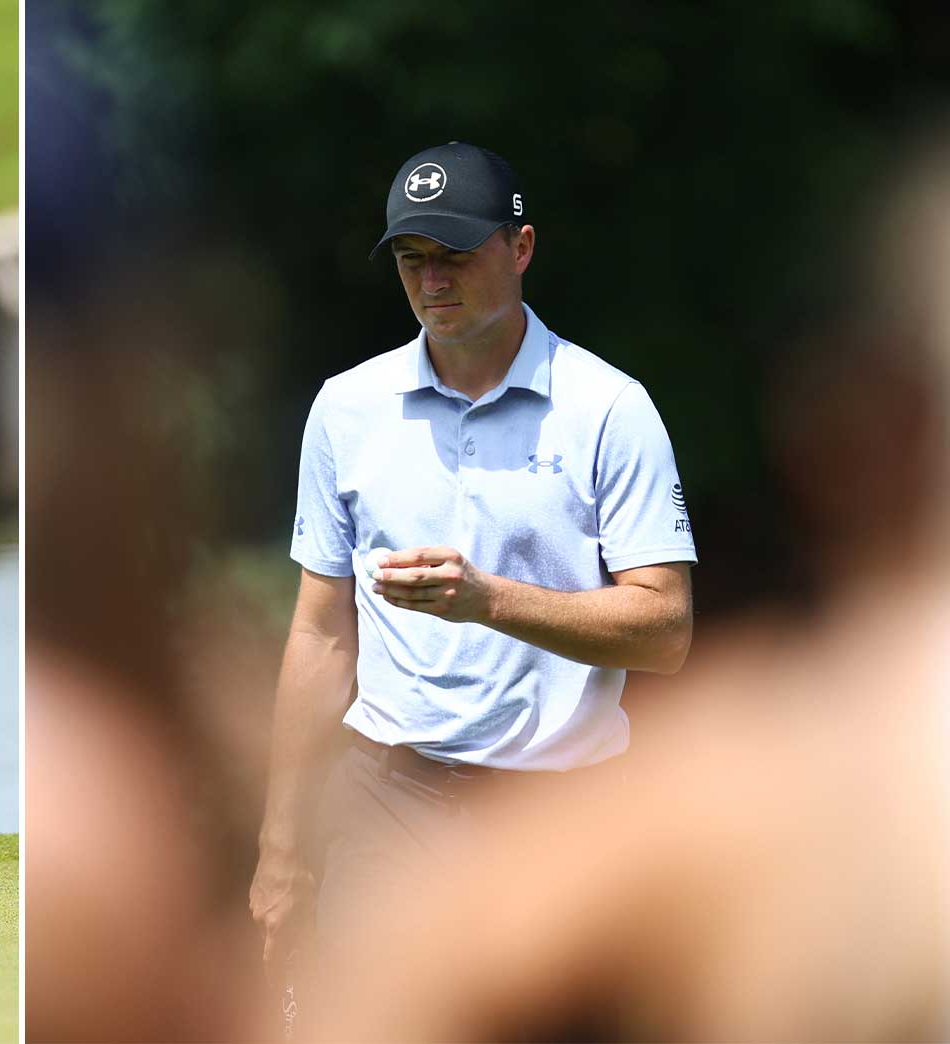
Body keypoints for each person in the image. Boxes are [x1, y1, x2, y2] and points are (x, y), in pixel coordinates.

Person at [247, 142, 698, 1009]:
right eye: (413, 261)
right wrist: (281, 846)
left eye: (455, 257)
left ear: (520, 248)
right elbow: (319, 630)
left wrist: (487, 601)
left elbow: (666, 630)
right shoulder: (347, 408)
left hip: (568, 815)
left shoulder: (608, 408)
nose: (433, 282)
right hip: (388, 800)